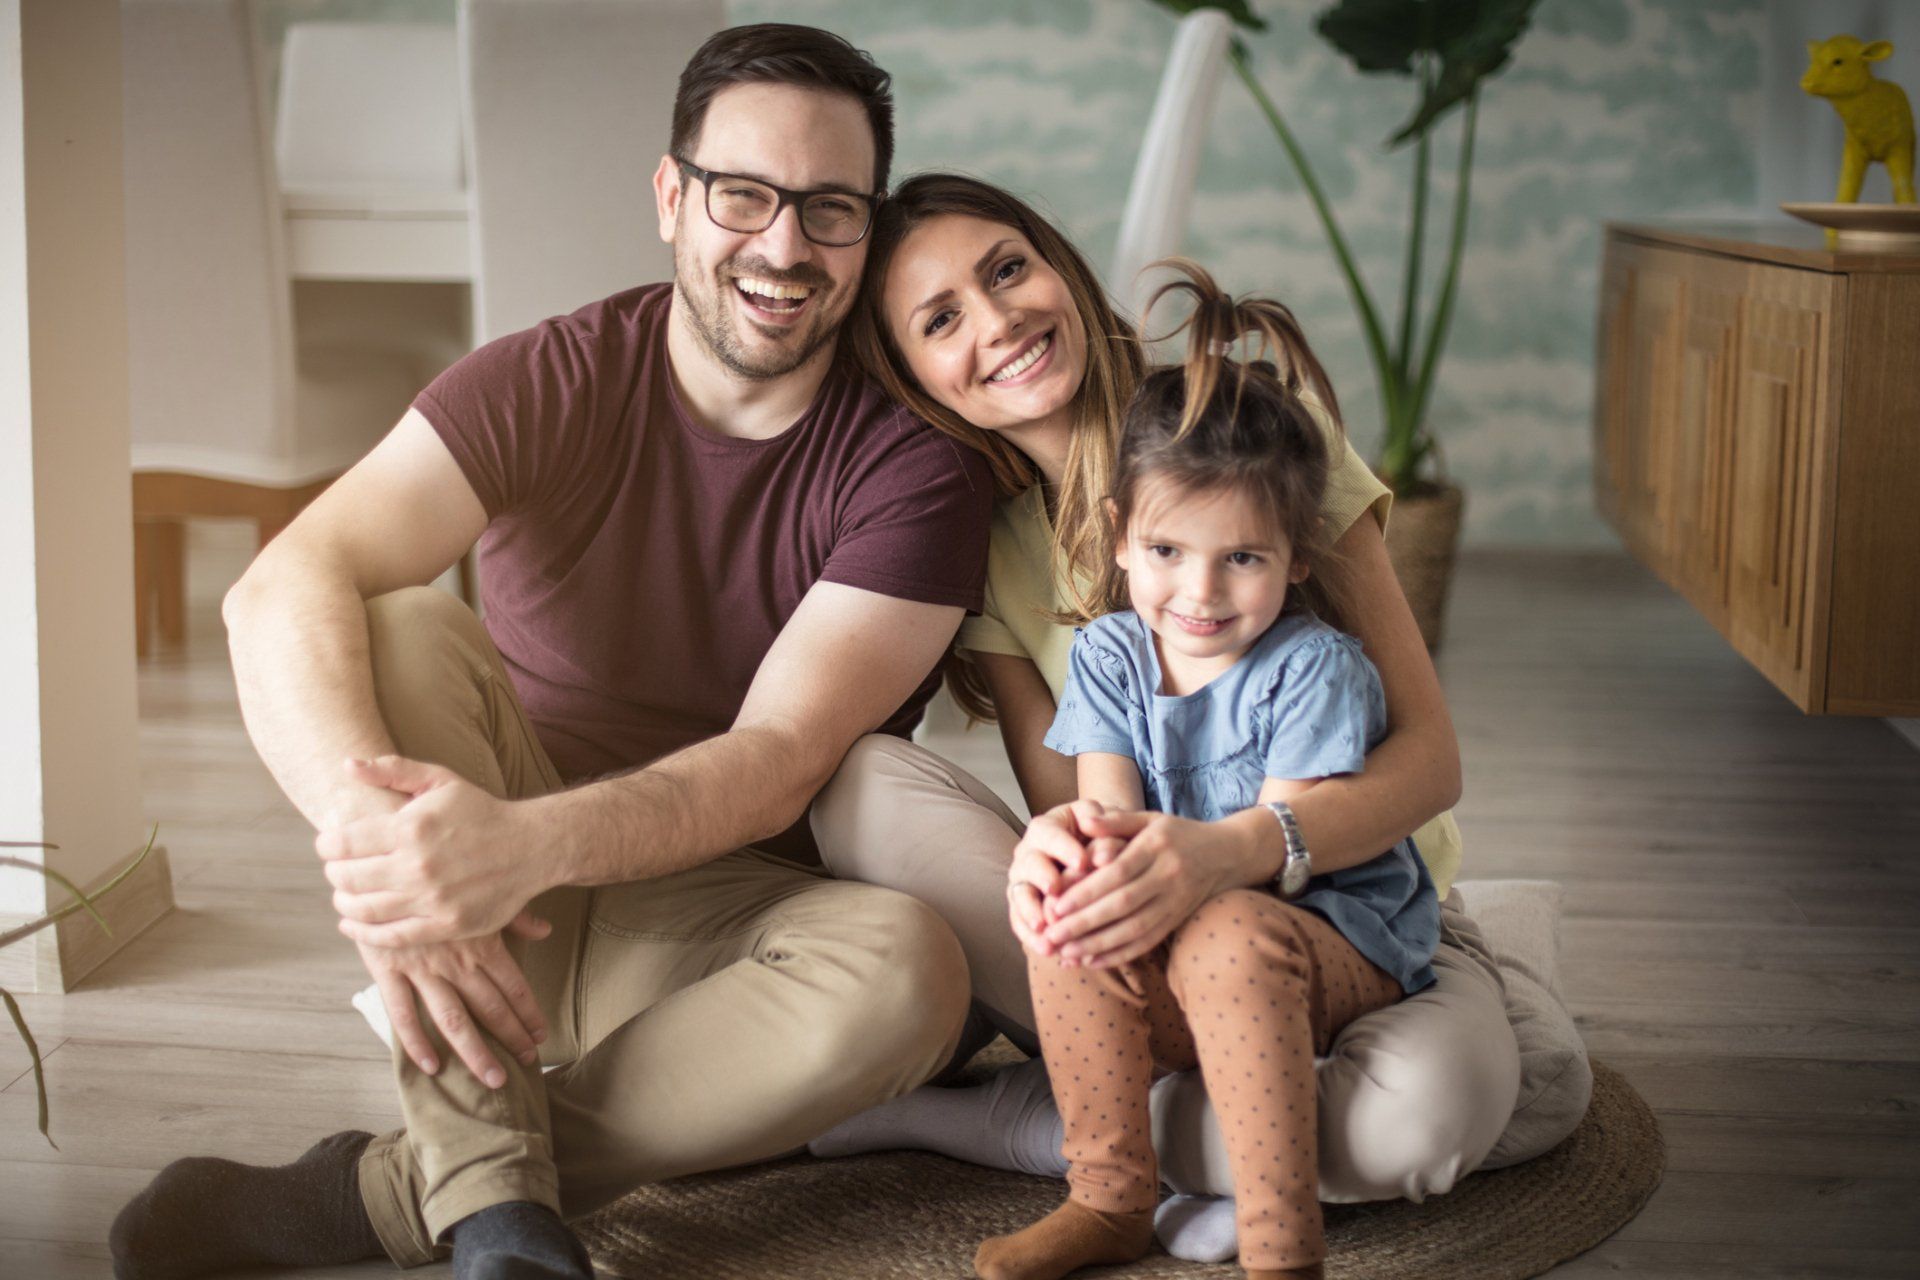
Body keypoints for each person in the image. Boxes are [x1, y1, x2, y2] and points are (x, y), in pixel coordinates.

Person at [109, 25, 996, 1280]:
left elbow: (783, 755)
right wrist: (403, 879)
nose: (785, 246)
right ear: (671, 197)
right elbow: (278, 587)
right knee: (395, 619)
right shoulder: (557, 374)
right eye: (744, 195)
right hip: (498, 905)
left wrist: (515, 847)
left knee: (913, 966)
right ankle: (510, 1228)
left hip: (716, 925)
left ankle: (395, 1192)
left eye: (831, 210)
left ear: (868, 229)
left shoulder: (916, 463)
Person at [807, 175, 1523, 1262]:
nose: (998, 322)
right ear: (913, 378)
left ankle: (1003, 1121)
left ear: (1060, 265)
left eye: (1007, 269)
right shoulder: (984, 540)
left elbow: (1431, 759)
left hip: (1342, 905)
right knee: (860, 782)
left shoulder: (1252, 438)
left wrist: (1230, 852)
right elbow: (1080, 808)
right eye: (941, 318)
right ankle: (1139, 1150)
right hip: (1145, 932)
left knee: (1408, 1131)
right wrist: (1068, 852)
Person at [974, 261, 1440, 1280]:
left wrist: (1165, 887)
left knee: (1226, 931)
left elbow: (1277, 859)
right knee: (1071, 916)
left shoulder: (1312, 666)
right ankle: (1109, 1197)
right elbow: (1108, 816)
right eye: (1171, 550)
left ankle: (1281, 1247)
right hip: (1189, 917)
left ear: (1297, 558)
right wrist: (1077, 866)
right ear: (1122, 543)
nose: (1201, 590)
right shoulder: (1108, 653)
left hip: (1324, 924)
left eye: (1244, 558)